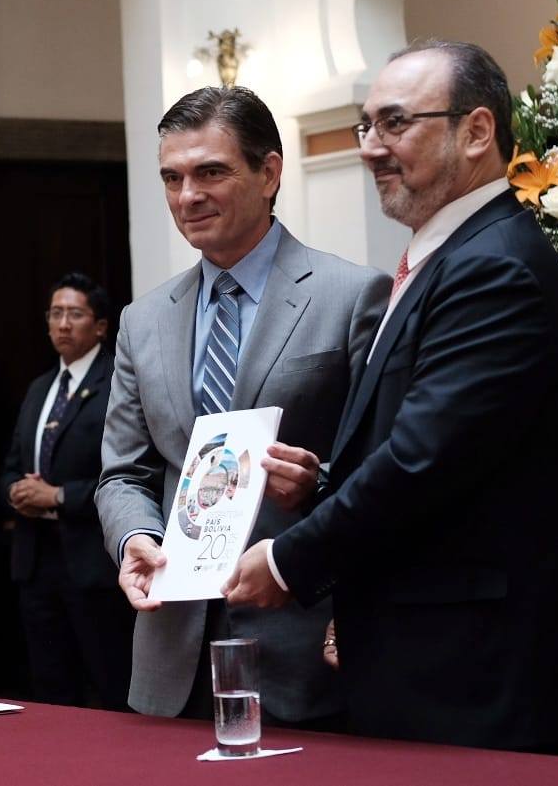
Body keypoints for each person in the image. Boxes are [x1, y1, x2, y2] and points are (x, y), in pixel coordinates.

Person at [223, 40, 558, 753]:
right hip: (433, 660)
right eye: (366, 126)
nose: (371, 148)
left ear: (476, 131)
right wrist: (321, 483)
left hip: (480, 674)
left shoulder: (492, 267)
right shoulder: (450, 256)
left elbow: (422, 461)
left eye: (396, 123)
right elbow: (449, 446)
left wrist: (289, 560)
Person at [93, 85, 390, 727]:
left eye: (211, 172)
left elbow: (382, 466)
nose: (187, 196)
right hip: (173, 651)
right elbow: (123, 472)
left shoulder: (351, 296)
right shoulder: (142, 320)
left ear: (270, 172)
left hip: (301, 640)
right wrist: (135, 539)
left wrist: (317, 483)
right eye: (171, 178)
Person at [0, 272, 133, 708]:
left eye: (75, 314)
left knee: (108, 682)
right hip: (36, 562)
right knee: (51, 688)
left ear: (99, 326)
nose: (62, 324)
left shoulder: (117, 380)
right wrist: (16, 491)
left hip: (92, 560)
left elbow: (130, 471)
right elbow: (12, 466)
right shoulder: (41, 388)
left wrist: (57, 497)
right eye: (55, 314)